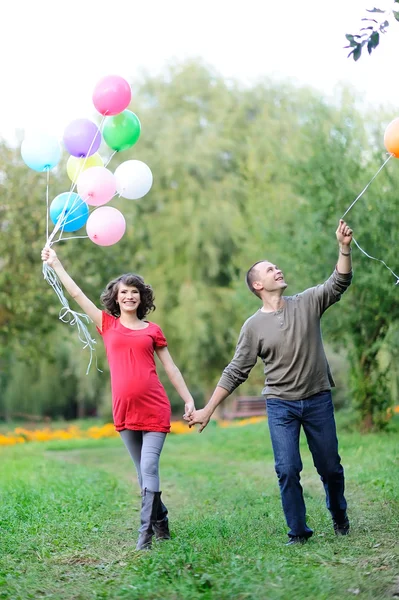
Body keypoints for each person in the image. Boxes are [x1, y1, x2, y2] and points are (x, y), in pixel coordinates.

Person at [187, 219, 353, 545]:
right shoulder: (252, 327)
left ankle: (338, 513)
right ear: (257, 286)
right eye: (269, 269)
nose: (277, 270)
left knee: (330, 468)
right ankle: (299, 532)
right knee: (287, 469)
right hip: (280, 405)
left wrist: (344, 247)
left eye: (276, 267)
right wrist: (208, 409)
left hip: (317, 398)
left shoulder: (307, 302)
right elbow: (236, 370)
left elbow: (339, 282)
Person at [41, 246, 195, 551]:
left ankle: (145, 538)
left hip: (155, 408)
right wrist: (56, 263)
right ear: (117, 297)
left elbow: (172, 368)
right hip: (124, 409)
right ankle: (161, 522)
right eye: (124, 292)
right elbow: (76, 295)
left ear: (142, 298)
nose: (129, 296)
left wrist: (188, 400)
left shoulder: (153, 330)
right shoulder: (106, 325)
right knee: (142, 473)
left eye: (135, 292)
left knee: (149, 467)